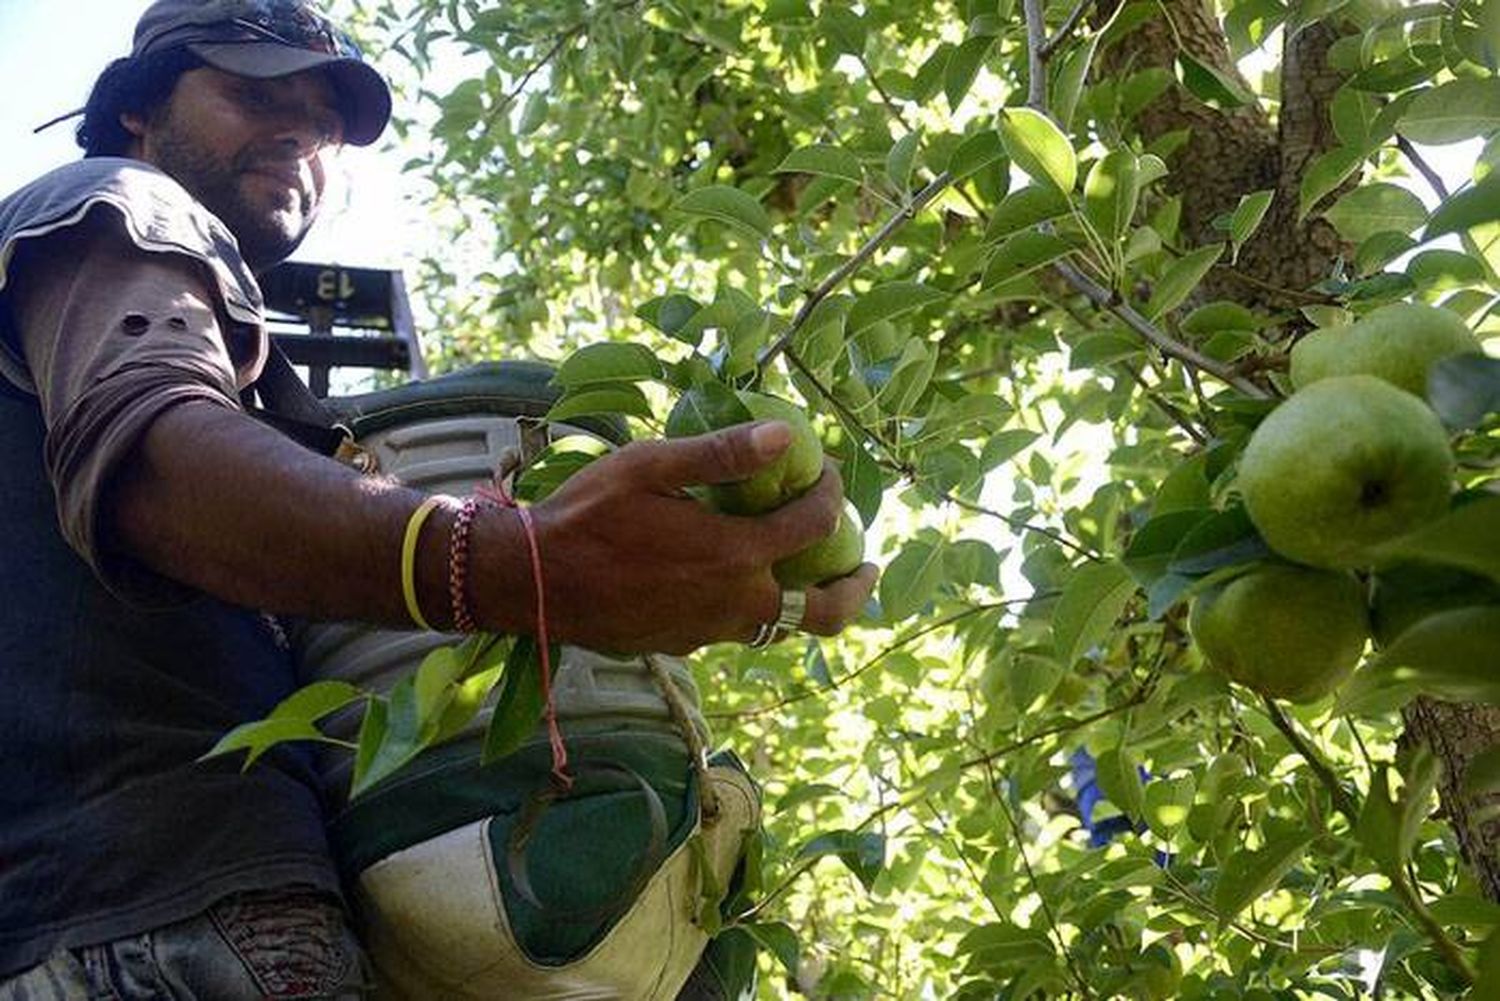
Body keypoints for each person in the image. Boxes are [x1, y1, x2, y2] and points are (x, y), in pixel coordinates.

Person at [0, 1, 878, 997]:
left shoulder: (242, 378)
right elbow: (151, 456)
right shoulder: (117, 201)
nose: (298, 132)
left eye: (322, 121)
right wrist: (514, 563)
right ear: (135, 117)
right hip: (140, 923)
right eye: (251, 91)